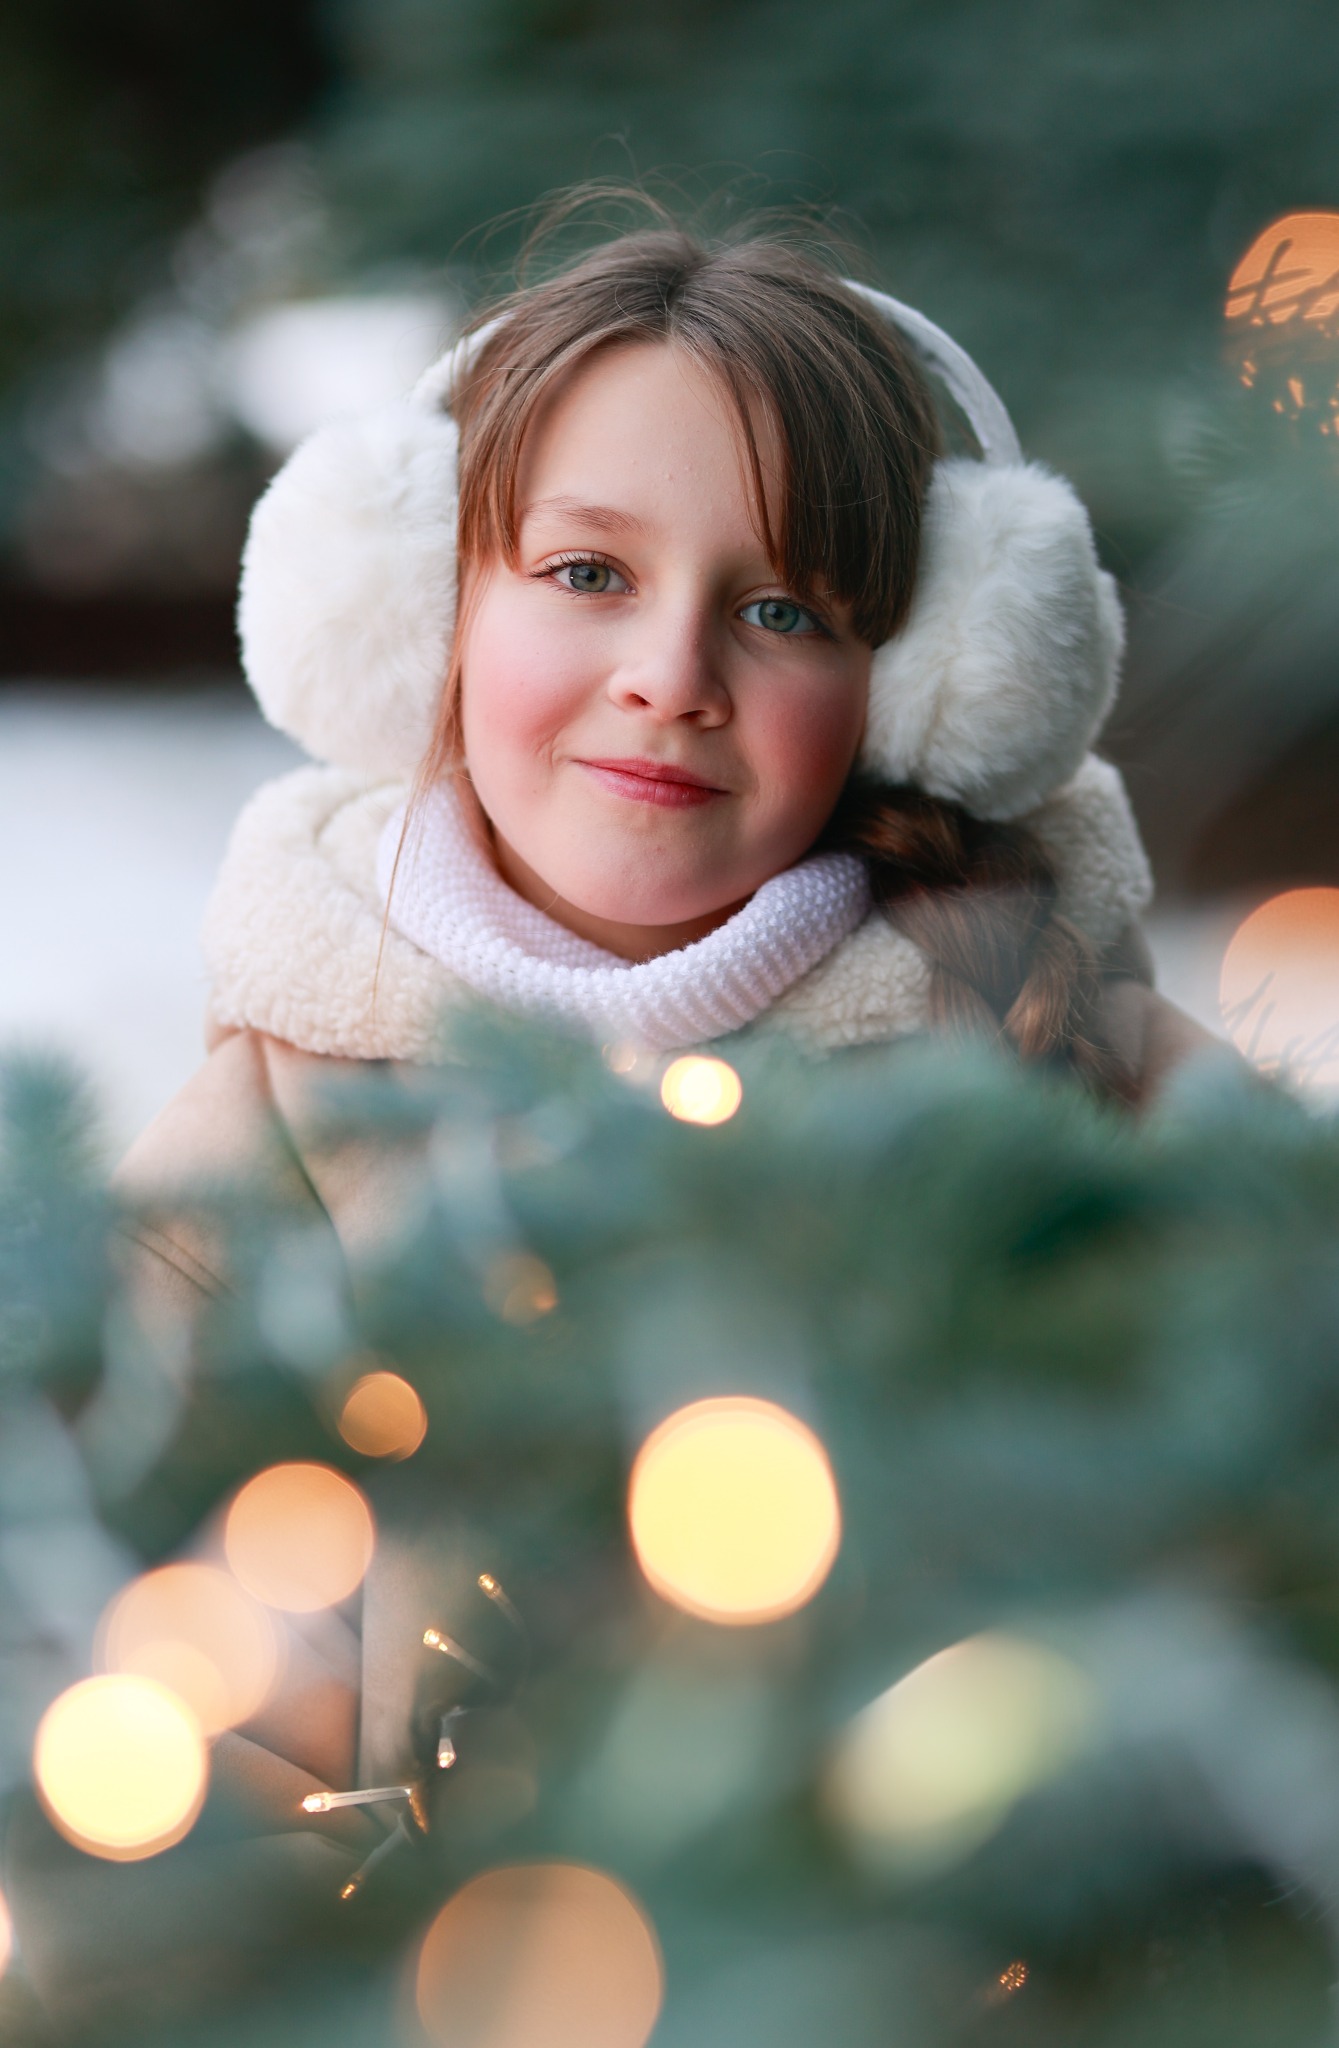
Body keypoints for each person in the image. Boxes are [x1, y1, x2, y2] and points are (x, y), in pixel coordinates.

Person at [8, 213, 1221, 2025]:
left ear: (926, 684)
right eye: (586, 573)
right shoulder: (283, 1105)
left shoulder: (1050, 1047)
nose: (674, 672)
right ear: (422, 605)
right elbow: (129, 1593)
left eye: (783, 607)